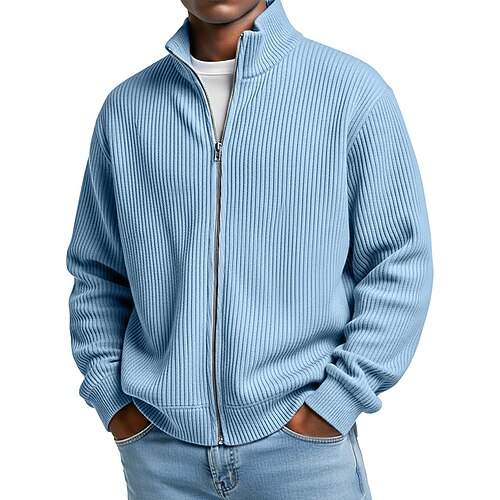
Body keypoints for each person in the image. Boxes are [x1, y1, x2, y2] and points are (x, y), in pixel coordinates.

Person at [65, 0, 433, 498]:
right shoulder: (127, 110)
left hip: (303, 456)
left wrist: (335, 404)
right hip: (160, 458)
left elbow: (399, 263)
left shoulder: (351, 93)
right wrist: (115, 404)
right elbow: (98, 274)